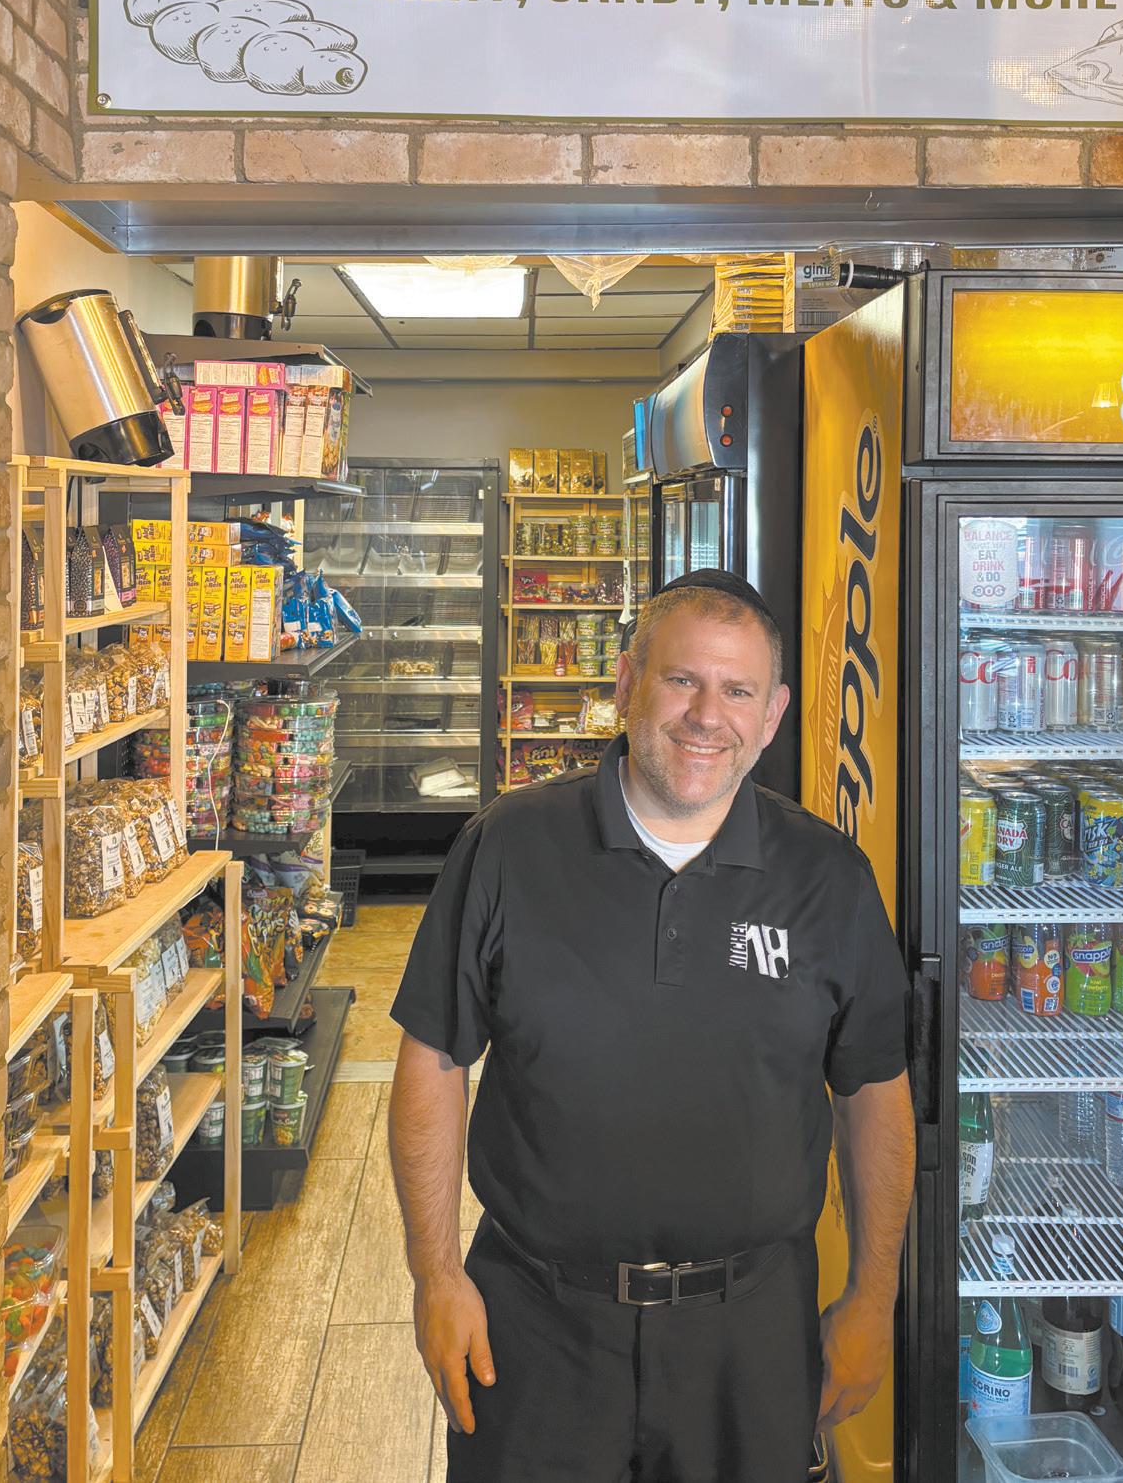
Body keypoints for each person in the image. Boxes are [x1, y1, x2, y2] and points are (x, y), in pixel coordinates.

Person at [389, 568, 914, 1483]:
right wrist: (434, 1275)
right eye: (682, 680)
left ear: (772, 714)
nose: (707, 715)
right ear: (628, 680)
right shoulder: (508, 844)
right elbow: (433, 1059)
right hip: (535, 1324)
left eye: (738, 690)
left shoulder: (828, 876)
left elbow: (874, 1092)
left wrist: (873, 1299)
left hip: (752, 1332)